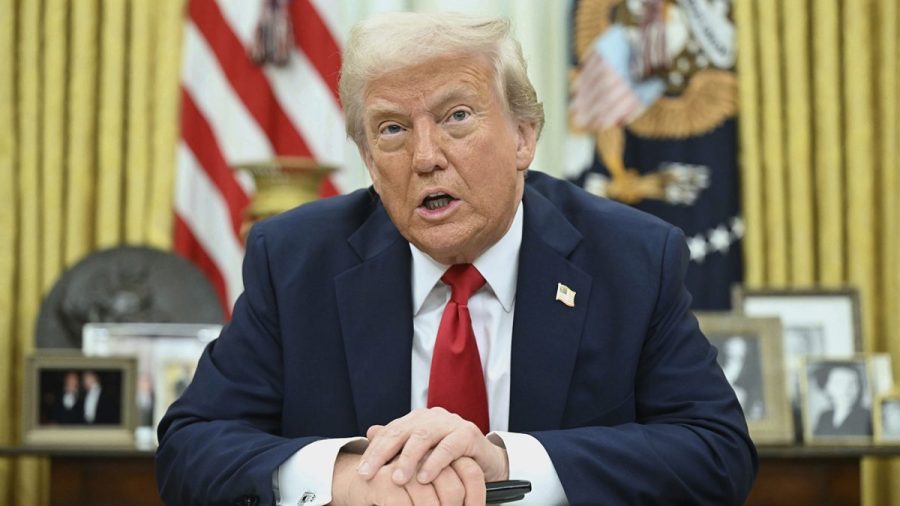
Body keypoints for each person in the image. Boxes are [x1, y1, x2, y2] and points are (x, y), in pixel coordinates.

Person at [155, 11, 756, 506]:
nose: (425, 157)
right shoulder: (295, 261)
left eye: (456, 117)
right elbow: (191, 447)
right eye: (392, 130)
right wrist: (343, 478)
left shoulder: (630, 258)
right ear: (369, 163)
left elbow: (716, 453)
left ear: (523, 136)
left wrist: (507, 462)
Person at [813, 364, 871, 437]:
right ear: (827, 388)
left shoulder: (867, 416)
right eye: (840, 383)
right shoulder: (824, 417)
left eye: (852, 383)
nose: (846, 390)